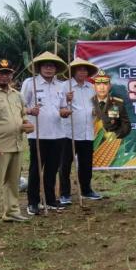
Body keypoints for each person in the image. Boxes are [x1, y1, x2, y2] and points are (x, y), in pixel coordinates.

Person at [0, 59, 34, 229]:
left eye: (7, 73)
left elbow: (22, 116)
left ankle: (11, 211)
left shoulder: (17, 94)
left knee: (13, 182)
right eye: (0, 72)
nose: (4, 76)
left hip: (17, 144)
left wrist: (27, 126)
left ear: (12, 74)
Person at [21, 51, 71, 215]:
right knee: (36, 169)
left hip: (58, 133)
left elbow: (63, 106)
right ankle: (33, 202)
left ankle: (50, 200)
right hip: (38, 134)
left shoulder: (61, 85)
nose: (49, 69)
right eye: (45, 66)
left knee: (52, 169)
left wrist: (64, 112)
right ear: (39, 68)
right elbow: (20, 106)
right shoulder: (30, 83)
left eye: (52, 66)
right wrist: (29, 110)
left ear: (56, 69)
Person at [59, 58, 103, 203]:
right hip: (69, 132)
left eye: (85, 70)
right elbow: (58, 106)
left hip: (87, 131)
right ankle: (65, 193)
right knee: (65, 164)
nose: (82, 72)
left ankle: (86, 190)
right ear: (73, 71)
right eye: (79, 69)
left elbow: (94, 106)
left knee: (86, 163)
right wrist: (66, 99)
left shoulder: (90, 87)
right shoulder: (65, 86)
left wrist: (97, 111)